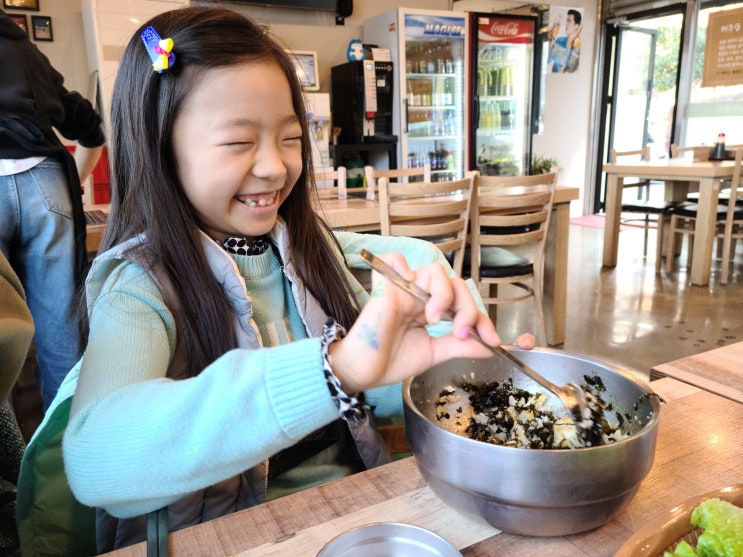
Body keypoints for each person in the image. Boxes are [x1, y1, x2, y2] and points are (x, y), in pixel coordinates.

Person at [37, 7, 533, 552]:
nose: (275, 167)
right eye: (238, 142)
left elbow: (378, 385)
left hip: (354, 517)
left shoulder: (307, 249)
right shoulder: (138, 287)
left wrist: (457, 368)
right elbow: (98, 462)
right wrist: (333, 367)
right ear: (162, 147)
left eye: (291, 138)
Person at [0, 9, 105, 410]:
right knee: (60, 324)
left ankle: (6, 458)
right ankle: (64, 451)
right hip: (46, 182)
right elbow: (90, 127)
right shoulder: (24, 48)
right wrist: (72, 183)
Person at [548, 9, 582, 74]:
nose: (566, 23)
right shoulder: (560, 41)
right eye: (567, 20)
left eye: (569, 21)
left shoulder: (580, 46)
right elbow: (548, 59)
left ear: (576, 25)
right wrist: (549, 41)